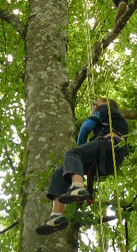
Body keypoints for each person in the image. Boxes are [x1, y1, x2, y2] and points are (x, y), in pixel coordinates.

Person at [36, 98, 128, 236]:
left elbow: (86, 127)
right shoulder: (108, 122)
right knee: (60, 172)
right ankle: (56, 216)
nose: (93, 107)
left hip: (110, 145)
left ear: (102, 104)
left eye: (94, 104)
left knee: (72, 154)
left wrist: (80, 149)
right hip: (107, 156)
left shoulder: (105, 109)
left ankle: (77, 187)